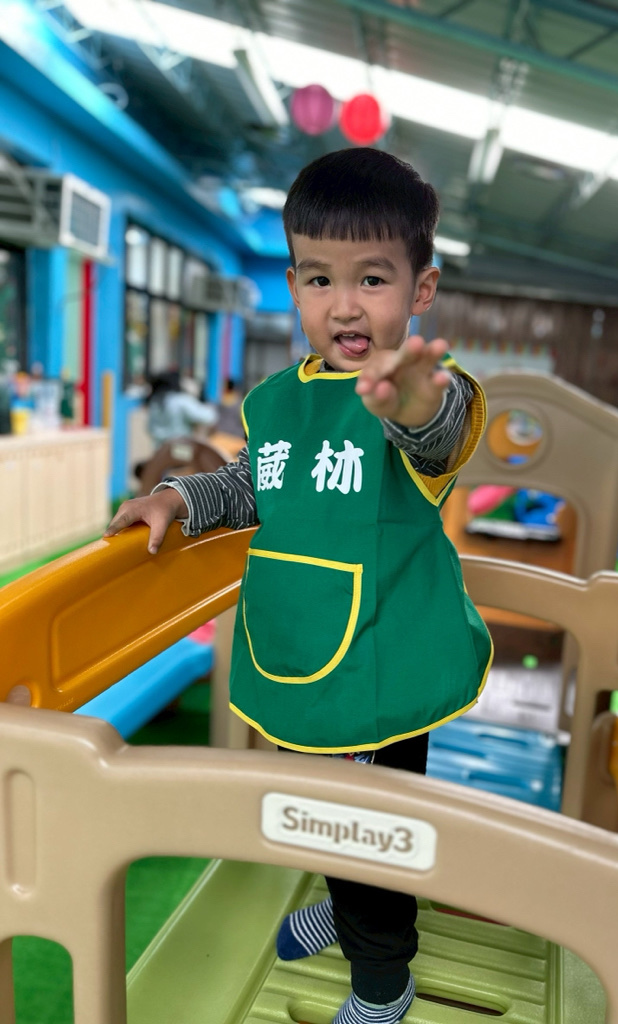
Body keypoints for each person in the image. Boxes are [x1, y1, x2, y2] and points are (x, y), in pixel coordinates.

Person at [105, 147, 493, 1024]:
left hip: (386, 656)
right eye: (320, 278)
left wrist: (409, 403)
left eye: (372, 279)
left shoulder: (424, 392)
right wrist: (178, 497)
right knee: (323, 807)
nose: (344, 304)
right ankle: (346, 911)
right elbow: (252, 485)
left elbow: (436, 434)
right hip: (299, 642)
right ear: (292, 284)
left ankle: (383, 979)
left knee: (372, 824)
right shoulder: (277, 400)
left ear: (421, 289)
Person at [145, 369, 218, 446]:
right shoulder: (181, 400)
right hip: (180, 448)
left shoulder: (154, 402)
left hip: (160, 448)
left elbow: (149, 428)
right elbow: (209, 417)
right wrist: (195, 396)